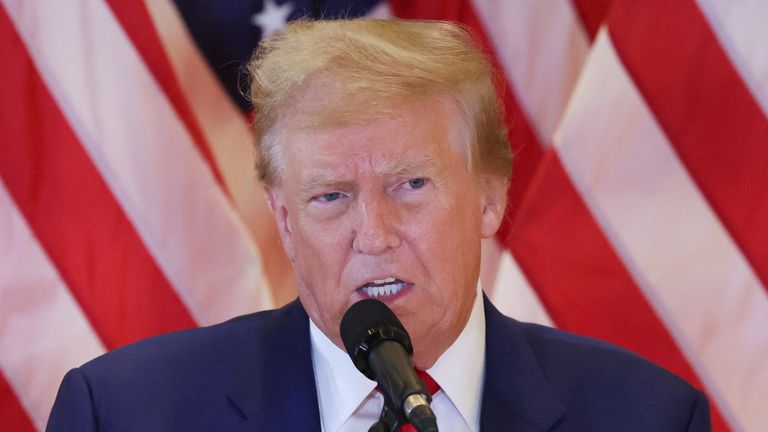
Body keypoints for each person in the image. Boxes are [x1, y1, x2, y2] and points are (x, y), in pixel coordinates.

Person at [46, 19, 711, 432]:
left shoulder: (645, 414)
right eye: (331, 196)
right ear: (283, 220)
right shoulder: (126, 413)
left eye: (411, 186)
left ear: (489, 197)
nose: (373, 234)